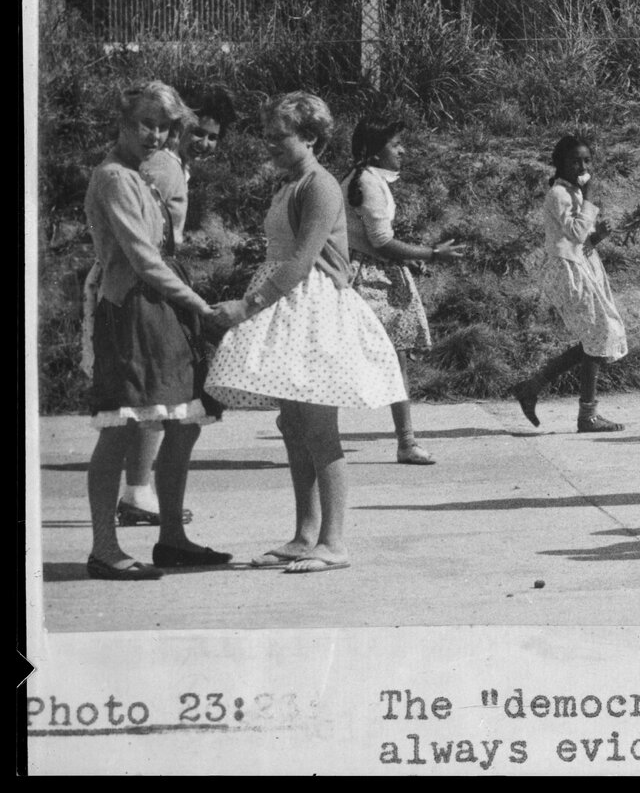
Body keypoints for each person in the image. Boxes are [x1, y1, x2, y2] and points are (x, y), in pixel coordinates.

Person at [206, 92, 408, 574]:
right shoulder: (290, 183)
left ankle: (333, 542)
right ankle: (304, 535)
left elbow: (302, 260)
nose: (270, 144)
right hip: (287, 303)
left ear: (312, 137)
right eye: (267, 136)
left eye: (281, 136)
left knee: (319, 429)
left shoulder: (320, 185)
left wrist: (247, 306)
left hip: (313, 306)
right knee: (293, 425)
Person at [82, 81, 228, 580]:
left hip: (163, 305)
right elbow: (143, 259)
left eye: (165, 127)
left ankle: (172, 538)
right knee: (123, 427)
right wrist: (200, 306)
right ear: (124, 121)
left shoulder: (143, 173)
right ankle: (104, 548)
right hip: (133, 308)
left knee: (184, 421)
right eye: (147, 124)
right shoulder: (114, 177)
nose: (156, 136)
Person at [340, 119, 466, 465]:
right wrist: (431, 253)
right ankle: (405, 442)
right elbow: (381, 240)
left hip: (367, 272)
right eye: (395, 145)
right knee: (387, 359)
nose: (403, 151)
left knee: (377, 357)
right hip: (370, 280)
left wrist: (407, 258)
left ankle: (404, 441)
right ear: (375, 150)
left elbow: (372, 239)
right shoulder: (368, 182)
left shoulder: (364, 179)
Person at [508, 135, 627, 434]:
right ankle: (586, 414)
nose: (583, 167)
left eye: (587, 161)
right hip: (568, 272)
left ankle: (533, 387)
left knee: (596, 336)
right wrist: (590, 198)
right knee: (598, 334)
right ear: (560, 164)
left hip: (581, 265)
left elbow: (580, 240)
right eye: (575, 161)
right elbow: (574, 232)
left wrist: (598, 237)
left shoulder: (572, 193)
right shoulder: (559, 194)